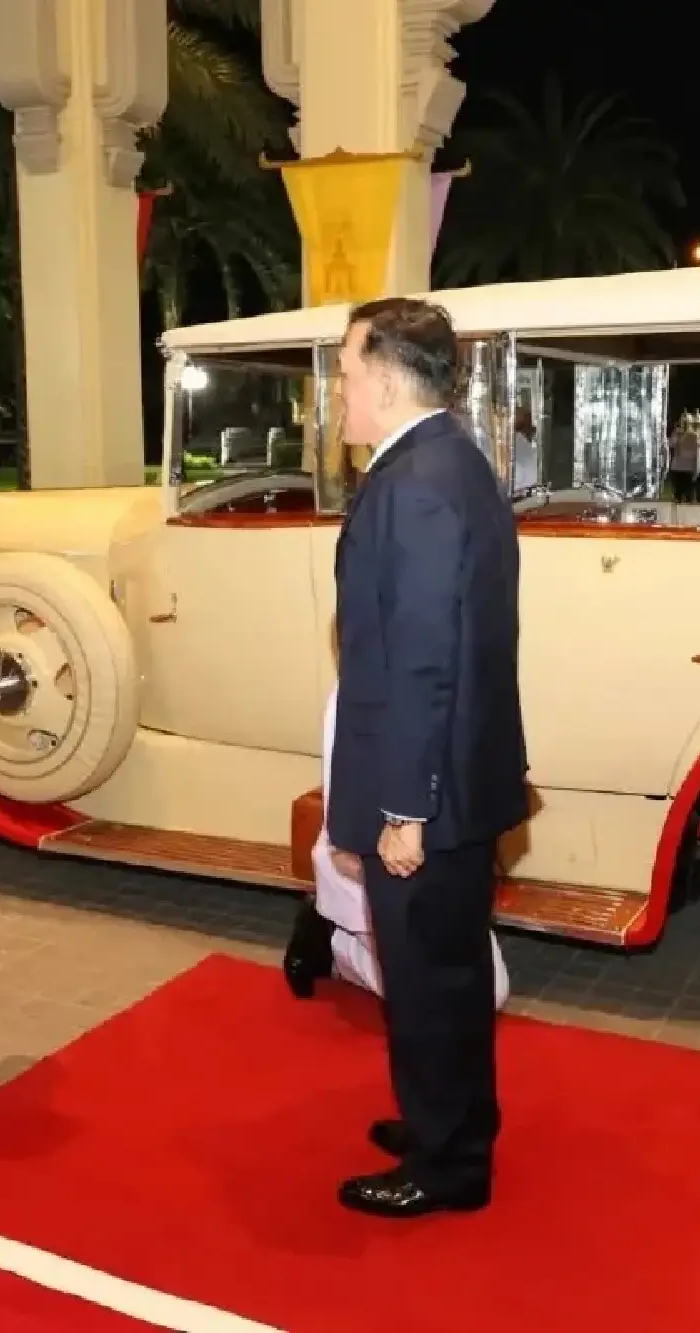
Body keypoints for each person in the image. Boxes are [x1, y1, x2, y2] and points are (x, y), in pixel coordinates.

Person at [325, 297, 529, 1219]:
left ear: (381, 378)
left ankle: (447, 1167)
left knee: (427, 978)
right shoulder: (450, 459)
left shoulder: (413, 482)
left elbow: (421, 658)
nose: (337, 388)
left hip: (428, 791)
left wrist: (402, 808)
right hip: (456, 775)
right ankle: (447, 1122)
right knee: (440, 971)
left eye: (344, 370)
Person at [282, 687, 512, 1009]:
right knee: (434, 1001)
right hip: (372, 870)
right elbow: (346, 836)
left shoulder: (467, 681)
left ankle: (352, 948)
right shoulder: (359, 692)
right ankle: (331, 942)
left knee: (488, 995)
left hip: (444, 873)